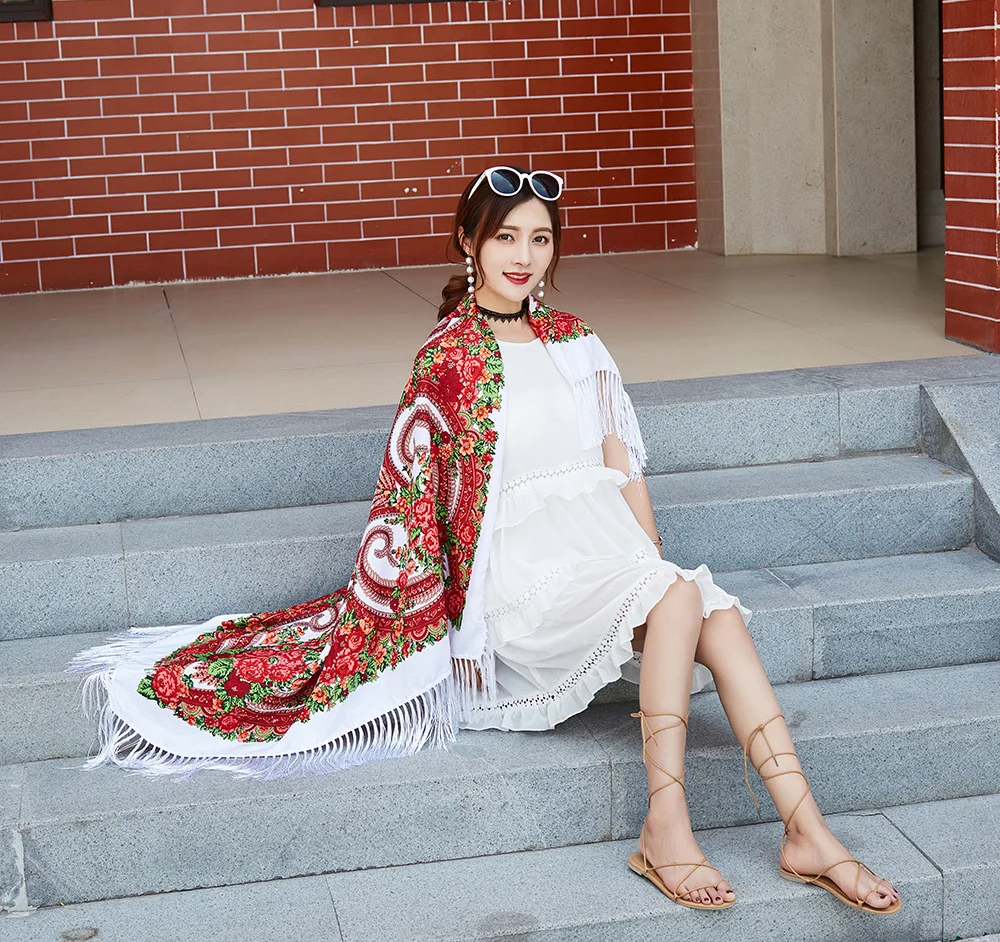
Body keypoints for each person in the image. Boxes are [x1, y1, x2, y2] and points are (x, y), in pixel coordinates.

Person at [71, 165, 901, 914]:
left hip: (607, 569)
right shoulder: (448, 358)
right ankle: (667, 824)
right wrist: (452, 621)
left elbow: (626, 471)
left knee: (709, 611)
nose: (524, 256)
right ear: (469, 243)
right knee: (682, 597)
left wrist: (653, 584)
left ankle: (807, 832)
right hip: (522, 593)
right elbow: (412, 504)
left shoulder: (579, 343)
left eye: (540, 239)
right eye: (506, 237)